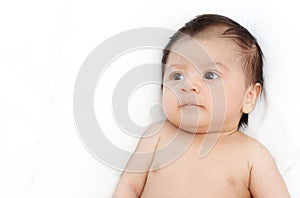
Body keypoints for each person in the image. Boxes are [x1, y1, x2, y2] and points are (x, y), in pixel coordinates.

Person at [113, 14, 290, 197]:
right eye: (177, 76)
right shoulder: (157, 136)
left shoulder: (252, 156)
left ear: (249, 98)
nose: (188, 85)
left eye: (210, 75)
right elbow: (128, 187)